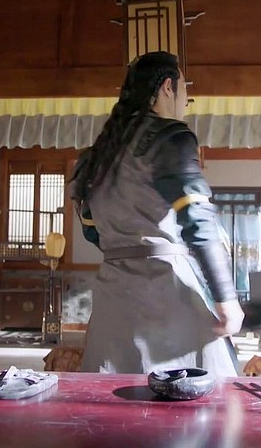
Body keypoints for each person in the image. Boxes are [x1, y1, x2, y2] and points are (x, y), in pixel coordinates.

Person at [68, 51, 246, 378]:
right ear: (167, 87)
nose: (185, 102)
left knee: (110, 400)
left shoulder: (95, 157)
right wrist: (226, 297)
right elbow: (197, 217)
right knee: (200, 395)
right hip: (167, 294)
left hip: (113, 298)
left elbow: (92, 230)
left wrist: (126, 248)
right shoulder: (171, 137)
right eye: (185, 91)